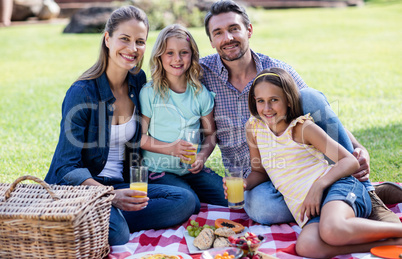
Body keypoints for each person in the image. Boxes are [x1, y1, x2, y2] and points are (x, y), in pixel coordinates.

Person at [200, 0, 401, 225]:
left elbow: (318, 111)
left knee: (308, 95)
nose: (227, 38)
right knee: (264, 210)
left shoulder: (276, 70)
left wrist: (358, 148)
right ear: (211, 41)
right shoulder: (202, 73)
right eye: (218, 33)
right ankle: (345, 197)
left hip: (298, 163)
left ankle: (365, 194)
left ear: (249, 30)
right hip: (255, 177)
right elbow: (172, 71)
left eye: (233, 29)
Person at [45, 6, 196, 246]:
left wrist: (173, 148)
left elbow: (141, 136)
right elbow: (65, 167)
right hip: (84, 189)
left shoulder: (138, 81)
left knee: (186, 200)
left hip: (122, 181)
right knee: (118, 234)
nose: (133, 49)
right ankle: (104, 219)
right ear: (107, 39)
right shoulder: (82, 93)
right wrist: (110, 196)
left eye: (140, 41)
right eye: (124, 39)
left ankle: (99, 221)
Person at [244, 67, 402, 259]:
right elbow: (259, 172)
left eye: (274, 100)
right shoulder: (253, 128)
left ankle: (395, 228)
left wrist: (318, 186)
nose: (266, 108)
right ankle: (391, 242)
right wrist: (244, 184)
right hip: (313, 210)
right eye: (260, 101)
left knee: (332, 229)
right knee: (307, 247)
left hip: (337, 187)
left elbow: (349, 161)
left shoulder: (302, 128)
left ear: (288, 100)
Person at [140, 24, 227, 214]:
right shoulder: (150, 93)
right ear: (159, 57)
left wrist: (202, 157)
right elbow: (139, 137)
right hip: (157, 170)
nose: (177, 59)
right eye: (169, 53)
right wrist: (170, 148)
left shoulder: (200, 94)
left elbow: (211, 135)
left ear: (192, 56)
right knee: (190, 204)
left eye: (184, 53)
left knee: (230, 197)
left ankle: (186, 189)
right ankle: (179, 193)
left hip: (190, 170)